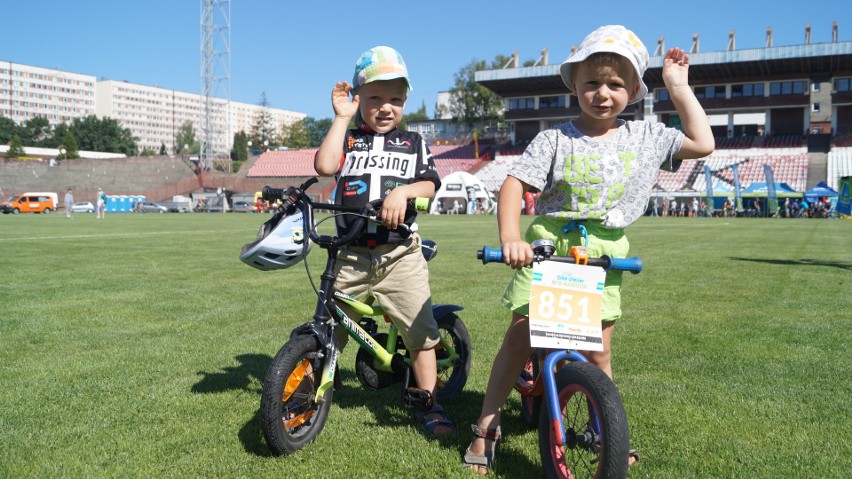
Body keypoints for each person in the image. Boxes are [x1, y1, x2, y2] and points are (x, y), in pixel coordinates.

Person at [462, 25, 714, 474]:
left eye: (616, 84)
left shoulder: (645, 137)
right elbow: (514, 185)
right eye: (592, 82)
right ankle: (487, 423)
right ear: (574, 84)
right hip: (549, 245)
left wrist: (678, 87)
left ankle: (606, 429)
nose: (603, 93)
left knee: (599, 352)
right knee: (521, 336)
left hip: (602, 252)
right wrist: (511, 238)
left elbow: (703, 143)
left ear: (633, 90)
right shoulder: (555, 139)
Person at [313, 46, 453, 438]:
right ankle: (318, 381)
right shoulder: (350, 139)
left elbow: (430, 183)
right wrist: (342, 118)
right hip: (351, 254)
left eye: (395, 98)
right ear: (359, 100)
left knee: (420, 333)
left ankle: (429, 401)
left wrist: (404, 193)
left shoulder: (413, 143)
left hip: (398, 254)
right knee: (328, 325)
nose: (386, 106)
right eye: (374, 98)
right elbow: (325, 166)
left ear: (406, 101)